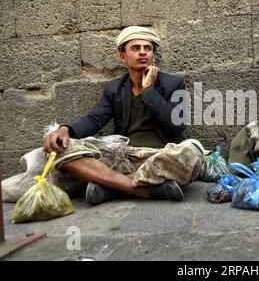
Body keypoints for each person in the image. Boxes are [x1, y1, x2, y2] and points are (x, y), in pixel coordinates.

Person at [42, 26, 204, 204]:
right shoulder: (114, 88)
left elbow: (176, 125)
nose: (143, 52)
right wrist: (66, 129)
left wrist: (148, 90)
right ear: (123, 56)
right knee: (59, 148)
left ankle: (110, 186)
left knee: (191, 153)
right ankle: (140, 188)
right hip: (124, 158)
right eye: (135, 48)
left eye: (147, 48)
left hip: (161, 156)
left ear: (153, 56)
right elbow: (95, 118)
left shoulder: (174, 84)